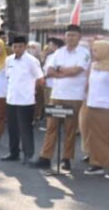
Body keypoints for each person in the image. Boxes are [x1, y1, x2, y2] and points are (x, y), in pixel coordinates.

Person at [35, 26, 91, 171]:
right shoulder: (59, 52)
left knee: (70, 129)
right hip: (57, 94)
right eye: (68, 35)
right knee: (51, 127)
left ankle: (66, 158)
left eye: (73, 35)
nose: (70, 38)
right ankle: (45, 157)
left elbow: (77, 70)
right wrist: (63, 71)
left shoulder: (84, 53)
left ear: (79, 37)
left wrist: (59, 70)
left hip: (74, 95)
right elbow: (49, 71)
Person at [82, 40, 109, 180]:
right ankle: (96, 163)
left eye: (96, 50)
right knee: (93, 136)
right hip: (92, 105)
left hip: (107, 107)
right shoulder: (94, 66)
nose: (93, 53)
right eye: (93, 50)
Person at [2, 36, 45, 163]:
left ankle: (28, 154)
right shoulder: (9, 60)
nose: (17, 49)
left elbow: (40, 79)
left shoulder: (32, 61)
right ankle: (13, 152)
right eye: (15, 46)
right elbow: (8, 77)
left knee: (25, 128)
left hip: (26, 100)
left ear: (25, 47)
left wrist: (32, 90)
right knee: (12, 128)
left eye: (20, 46)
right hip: (11, 99)